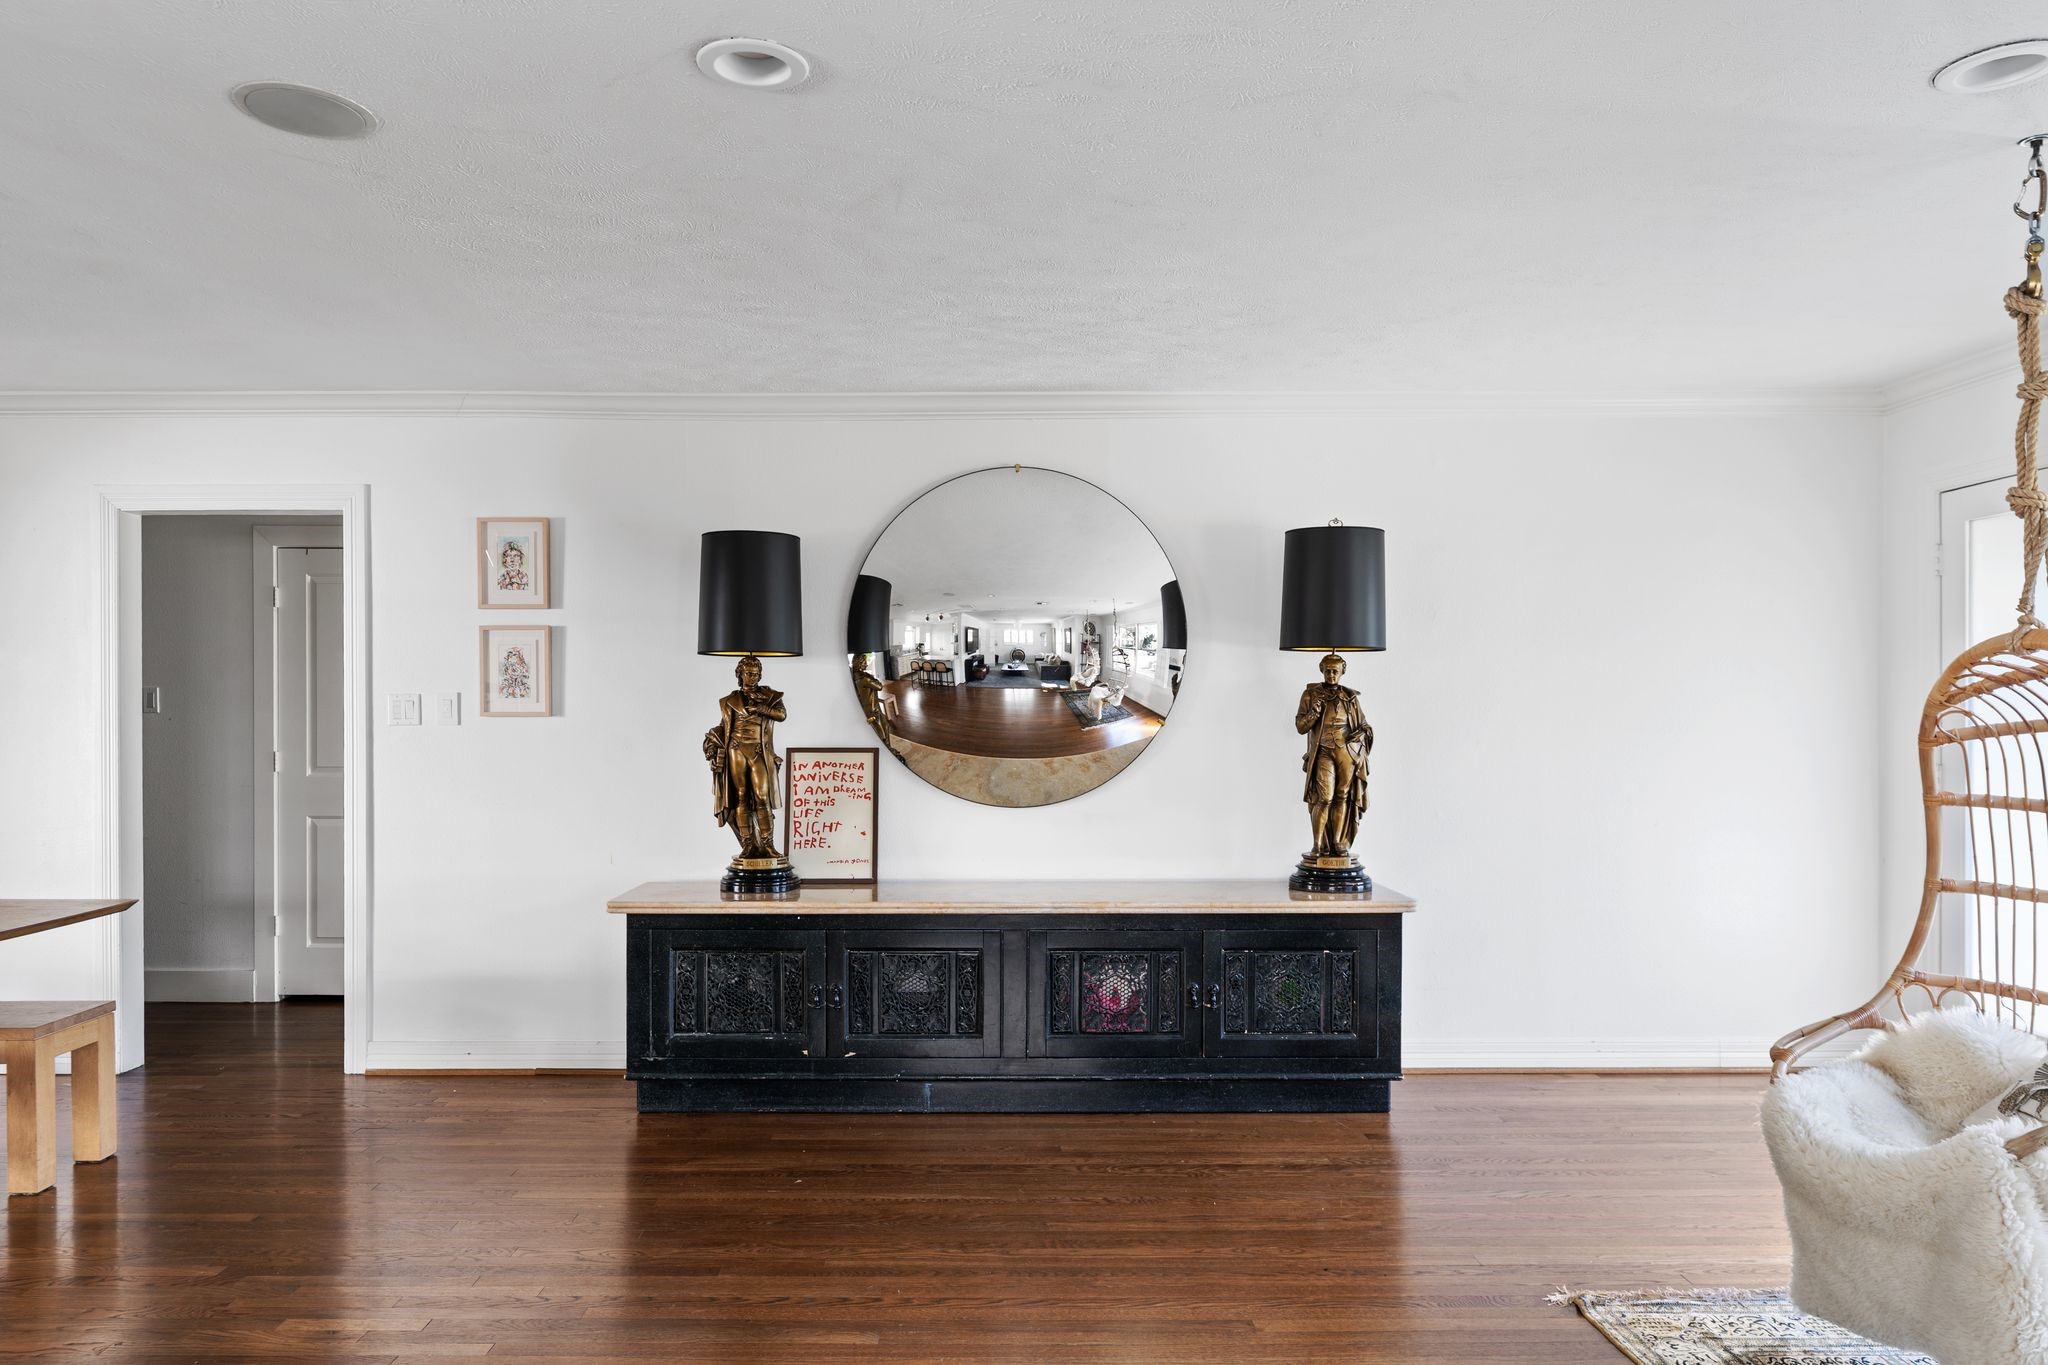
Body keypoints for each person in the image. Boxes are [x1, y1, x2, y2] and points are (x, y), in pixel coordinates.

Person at [703, 655, 786, 858]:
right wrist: (712, 742)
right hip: (736, 749)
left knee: (762, 796)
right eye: (748, 673)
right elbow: (725, 727)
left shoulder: (771, 696)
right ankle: (748, 844)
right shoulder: (730, 701)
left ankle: (767, 844)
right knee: (741, 795)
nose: (753, 677)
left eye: (756, 674)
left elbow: (782, 715)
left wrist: (761, 709)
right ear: (739, 675)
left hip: (759, 751)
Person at [1295, 652, 1371, 859]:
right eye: (1327, 671)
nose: (1331, 675)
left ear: (1342, 672)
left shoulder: (1351, 698)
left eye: (1335, 671)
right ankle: (1318, 845)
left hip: (1346, 752)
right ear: (1321, 670)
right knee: (1324, 797)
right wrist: (1313, 713)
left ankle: (1338, 843)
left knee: (1342, 796)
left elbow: (1364, 725)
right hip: (1323, 751)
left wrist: (1361, 733)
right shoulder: (1310, 695)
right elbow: (1301, 727)